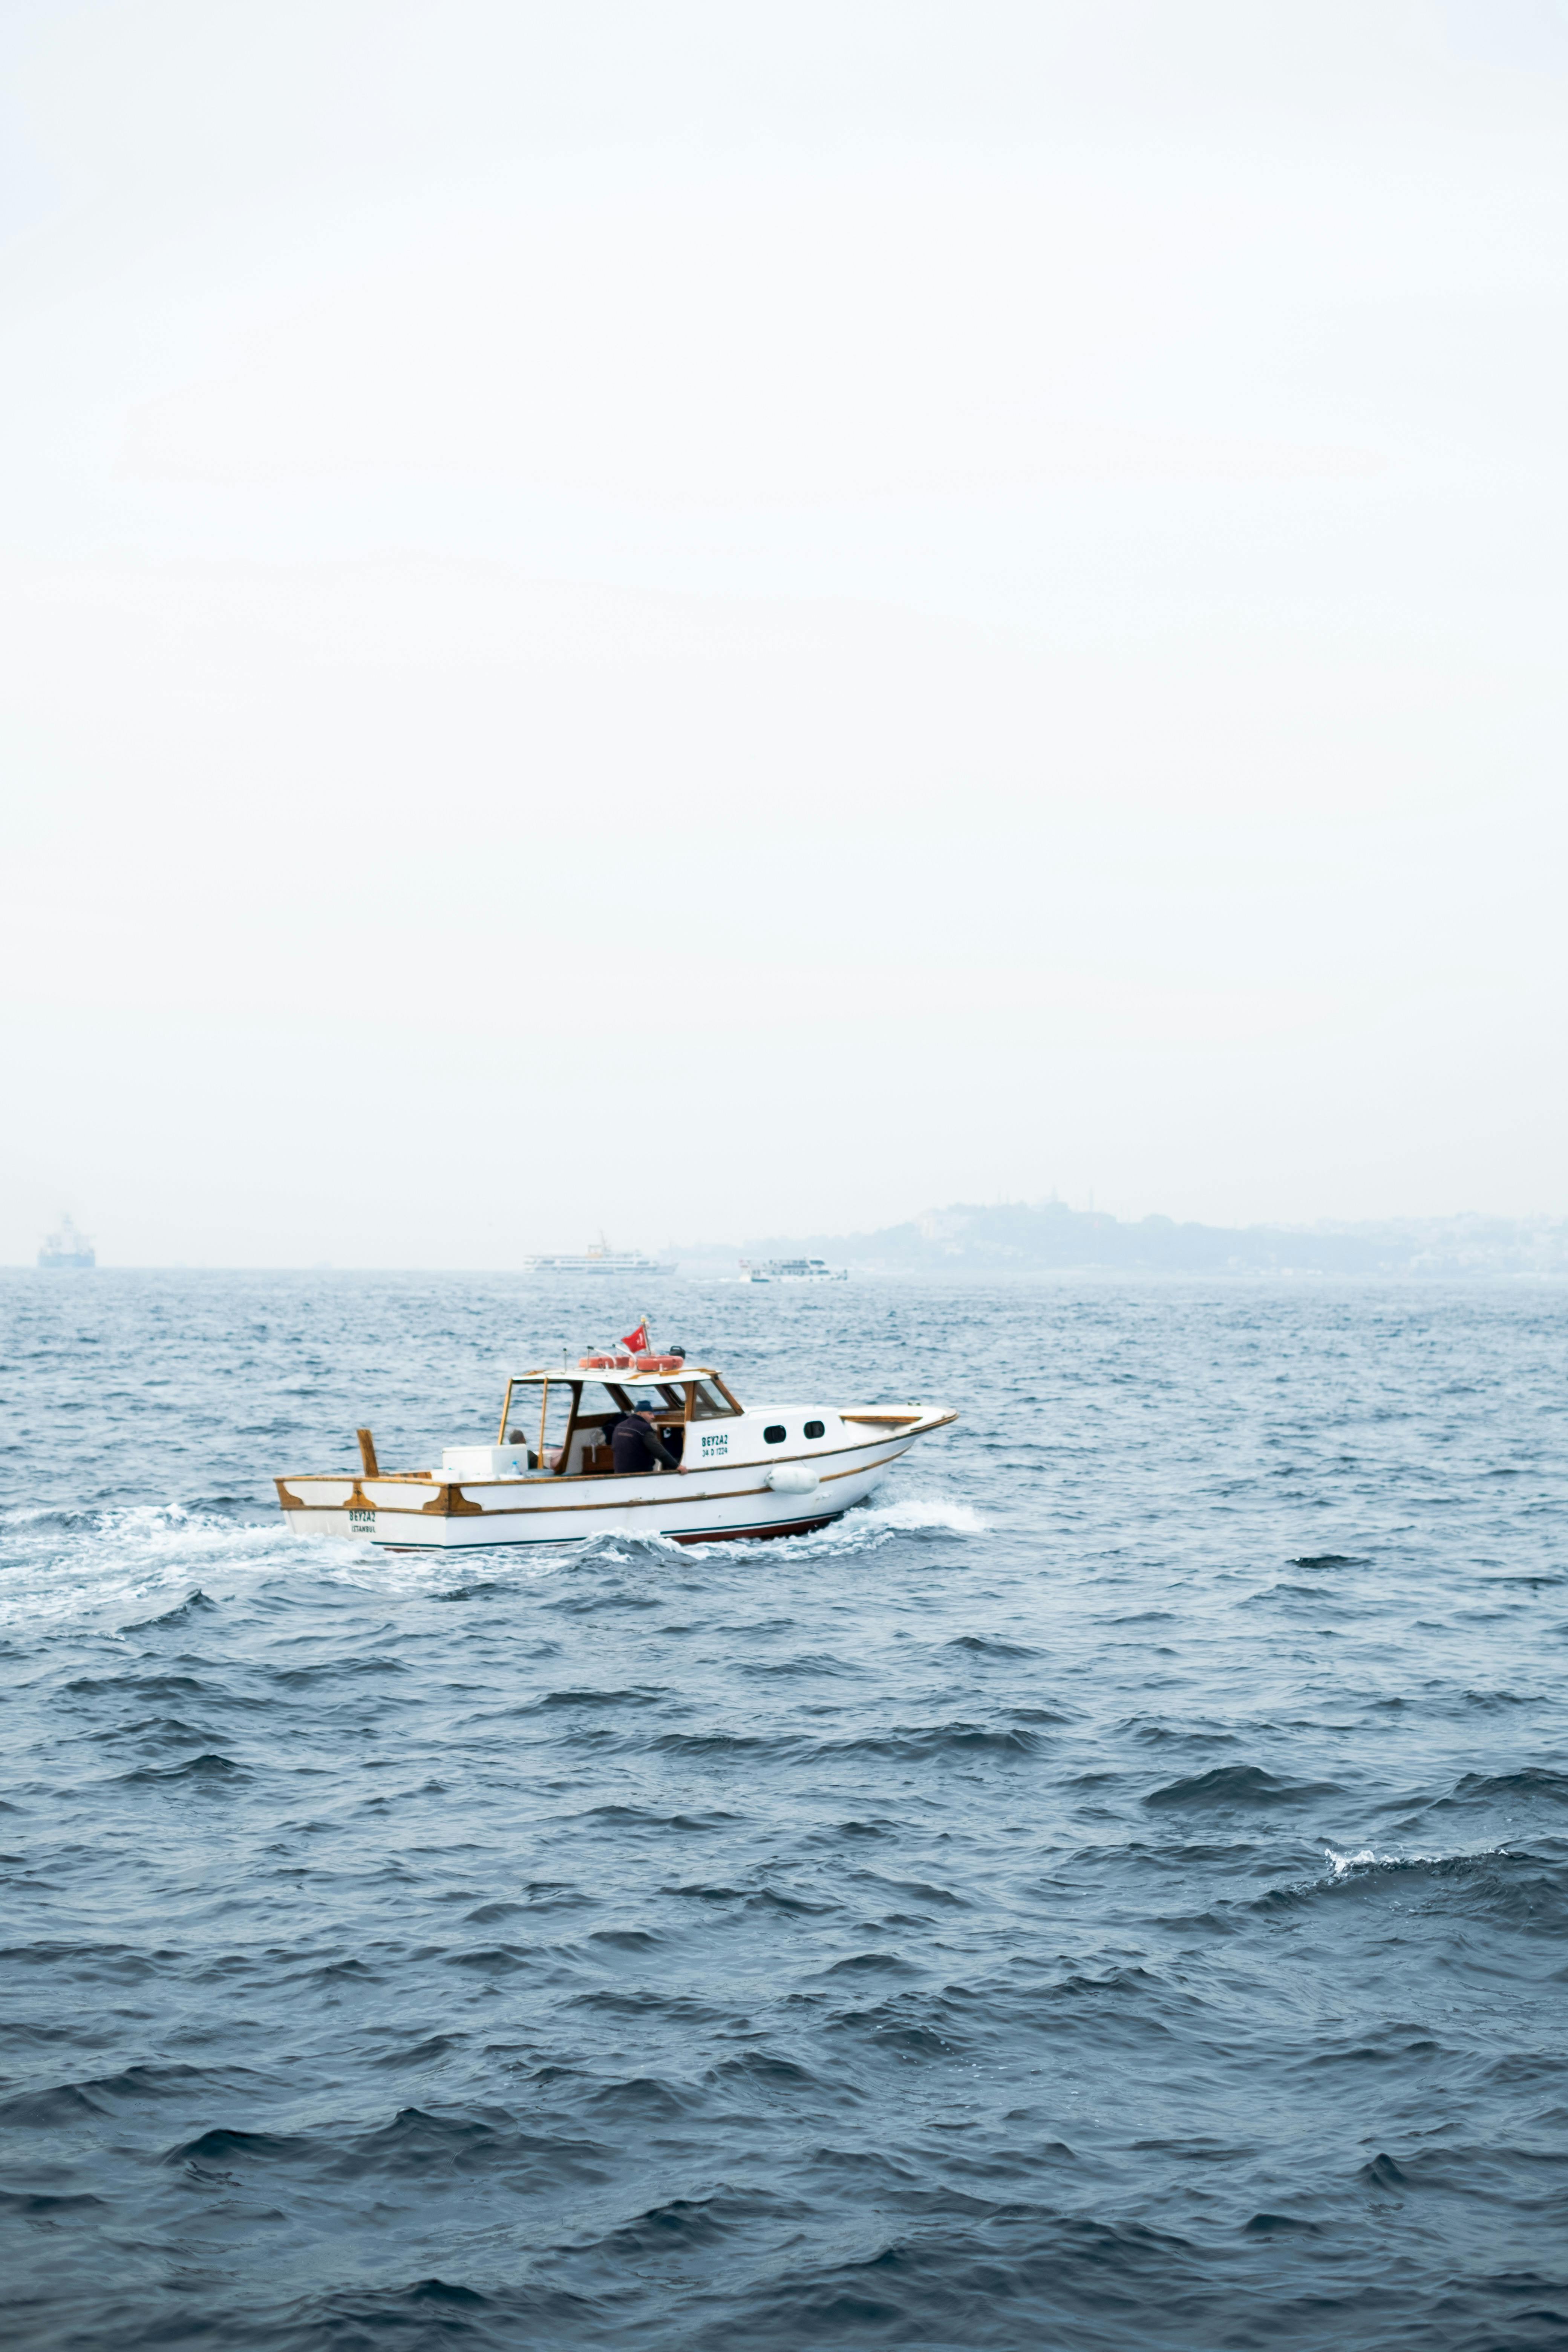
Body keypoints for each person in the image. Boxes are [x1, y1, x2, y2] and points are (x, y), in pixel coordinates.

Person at [610, 1406, 680, 1474]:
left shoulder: (619, 1426)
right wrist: (676, 1466)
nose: (653, 1417)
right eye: (650, 1414)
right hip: (640, 1475)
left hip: (619, 1473)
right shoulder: (644, 1429)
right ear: (640, 1414)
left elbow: (614, 1448)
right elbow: (659, 1452)